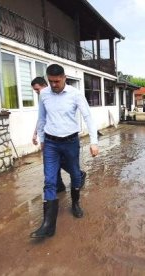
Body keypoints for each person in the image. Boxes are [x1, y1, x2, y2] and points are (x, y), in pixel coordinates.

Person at [31, 64, 99, 239]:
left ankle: (75, 203)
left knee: (75, 175)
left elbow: (88, 117)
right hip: (51, 143)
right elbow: (42, 118)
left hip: (70, 142)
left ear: (64, 78)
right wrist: (42, 140)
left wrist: (94, 142)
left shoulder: (75, 94)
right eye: (50, 81)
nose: (53, 85)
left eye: (56, 81)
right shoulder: (44, 94)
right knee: (50, 181)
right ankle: (48, 225)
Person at [31, 77, 86, 194]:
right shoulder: (44, 97)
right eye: (35, 91)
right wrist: (37, 134)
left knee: (62, 162)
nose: (37, 92)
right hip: (49, 137)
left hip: (66, 138)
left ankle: (78, 174)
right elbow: (41, 118)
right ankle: (59, 185)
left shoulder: (61, 96)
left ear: (44, 85)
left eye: (37, 89)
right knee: (51, 165)